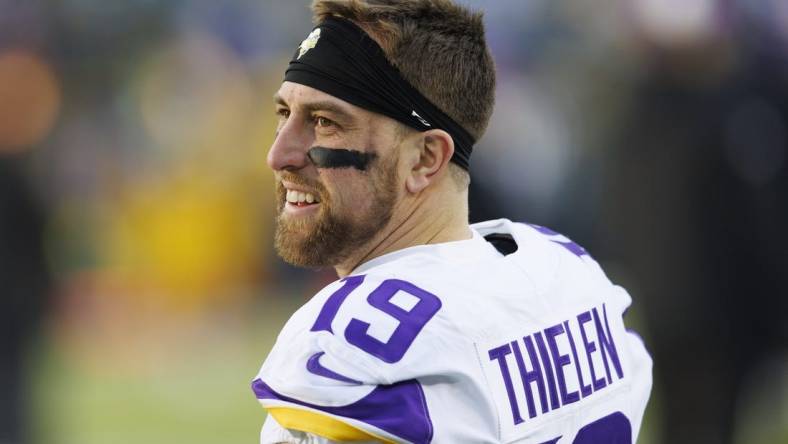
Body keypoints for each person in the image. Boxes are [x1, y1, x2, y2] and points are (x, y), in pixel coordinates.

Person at [251, 1, 652, 442]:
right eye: (284, 114)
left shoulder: (350, 342)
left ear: (425, 159)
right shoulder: (567, 271)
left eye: (325, 123)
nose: (279, 155)